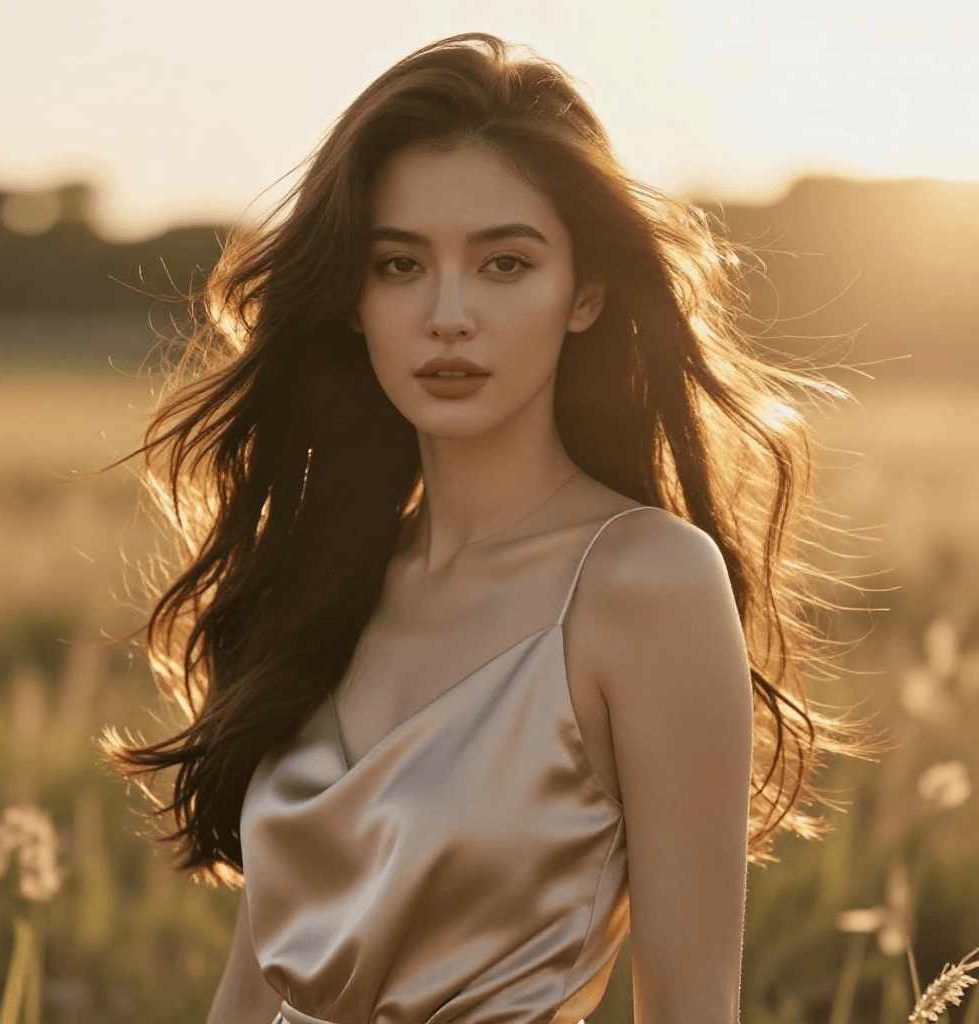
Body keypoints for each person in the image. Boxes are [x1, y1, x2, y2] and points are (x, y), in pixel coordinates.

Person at [102, 32, 885, 1024]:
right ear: (353, 299)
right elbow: (257, 984)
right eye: (399, 264)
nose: (448, 314)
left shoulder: (646, 583)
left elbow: (692, 1005)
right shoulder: (324, 580)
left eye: (505, 263)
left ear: (584, 293)